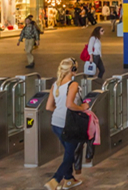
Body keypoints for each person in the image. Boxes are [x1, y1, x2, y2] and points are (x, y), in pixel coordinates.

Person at [43, 58, 89, 190]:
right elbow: (70, 104)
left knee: (69, 151)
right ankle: (55, 180)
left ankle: (69, 179)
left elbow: (48, 107)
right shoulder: (72, 85)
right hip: (68, 125)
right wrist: (82, 108)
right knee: (71, 154)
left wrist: (59, 112)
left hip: (55, 124)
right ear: (72, 70)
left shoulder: (55, 85)